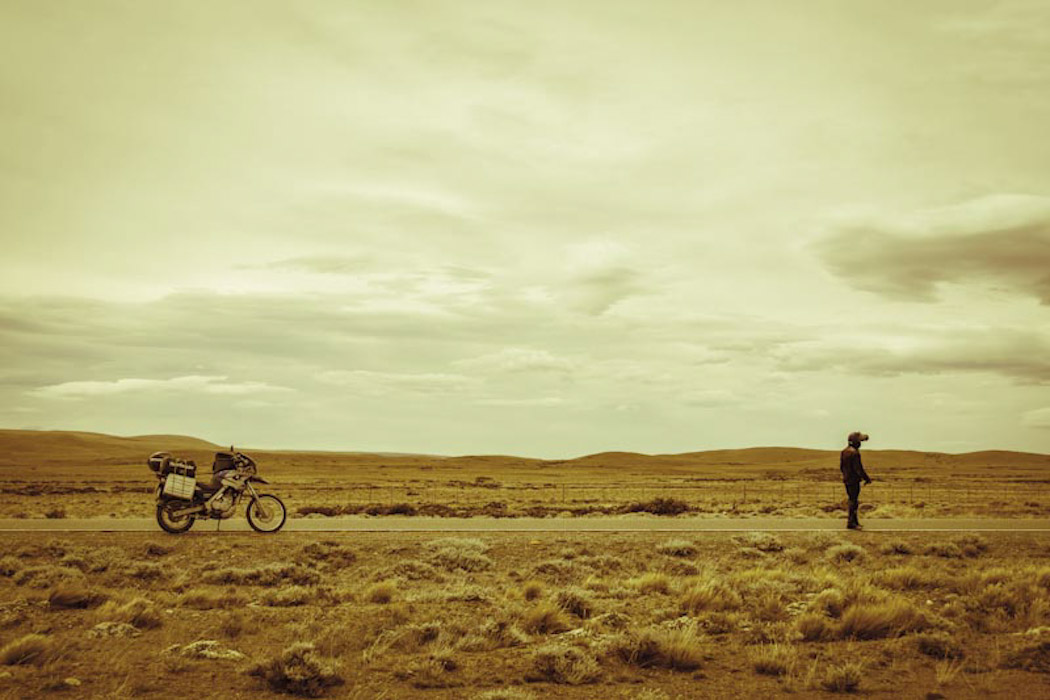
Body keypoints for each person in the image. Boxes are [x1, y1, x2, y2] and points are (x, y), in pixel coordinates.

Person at [840, 431, 872, 530]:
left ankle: (853, 521)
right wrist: (866, 478)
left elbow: (842, 467)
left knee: (852, 500)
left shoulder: (844, 451)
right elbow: (858, 469)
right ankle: (852, 522)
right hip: (854, 480)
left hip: (847, 479)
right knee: (854, 501)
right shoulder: (855, 453)